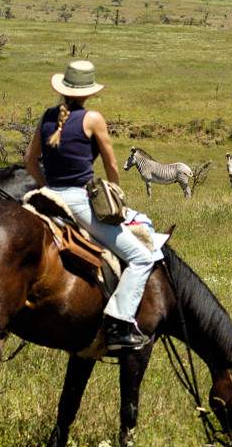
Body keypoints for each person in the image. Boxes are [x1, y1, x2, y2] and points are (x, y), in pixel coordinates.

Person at [25, 60, 155, 352]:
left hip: (48, 197)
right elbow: (110, 163)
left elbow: (30, 162)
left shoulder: (46, 117)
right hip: (79, 201)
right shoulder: (93, 118)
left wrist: (47, 185)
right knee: (141, 258)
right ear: (88, 92)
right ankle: (118, 323)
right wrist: (115, 194)